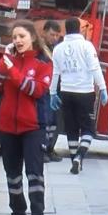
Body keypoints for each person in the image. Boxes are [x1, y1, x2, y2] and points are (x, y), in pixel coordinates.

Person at [0, 20, 52, 215]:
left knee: (34, 173)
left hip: (33, 127)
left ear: (32, 37)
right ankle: (17, 214)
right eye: (14, 37)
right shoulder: (9, 61)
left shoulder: (43, 64)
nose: (17, 41)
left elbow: (34, 90)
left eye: (21, 36)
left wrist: (13, 71)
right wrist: (2, 68)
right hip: (7, 126)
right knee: (12, 174)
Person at [50, 17, 108, 174]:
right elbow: (95, 68)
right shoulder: (87, 46)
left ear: (66, 30)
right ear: (80, 29)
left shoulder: (58, 49)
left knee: (71, 129)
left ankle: (74, 159)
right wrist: (102, 88)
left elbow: (55, 73)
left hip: (65, 92)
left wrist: (53, 92)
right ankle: (79, 157)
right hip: (85, 93)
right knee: (87, 128)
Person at [40, 20, 63, 162]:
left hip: (54, 90)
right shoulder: (40, 48)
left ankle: (49, 148)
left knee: (53, 121)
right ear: (44, 33)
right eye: (52, 34)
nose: (54, 38)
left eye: (57, 35)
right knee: (45, 120)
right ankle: (41, 150)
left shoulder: (55, 49)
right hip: (44, 89)